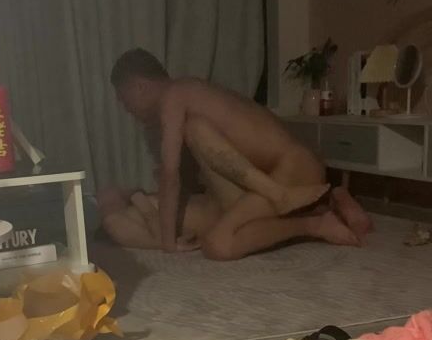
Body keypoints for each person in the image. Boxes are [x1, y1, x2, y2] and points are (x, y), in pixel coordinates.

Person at [99, 48, 372, 260]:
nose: (126, 108)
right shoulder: (189, 96)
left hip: (294, 167)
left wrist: (168, 245)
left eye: (124, 99)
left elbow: (171, 176)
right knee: (196, 132)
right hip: (271, 173)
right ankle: (331, 200)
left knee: (218, 244)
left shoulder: (173, 97)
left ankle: (316, 224)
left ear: (139, 86)